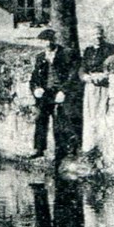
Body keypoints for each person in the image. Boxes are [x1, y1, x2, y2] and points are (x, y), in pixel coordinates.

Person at [30, 28, 75, 159]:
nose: (47, 43)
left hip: (59, 92)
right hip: (45, 94)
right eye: (44, 41)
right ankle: (39, 149)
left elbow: (72, 76)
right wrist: (36, 88)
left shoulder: (66, 54)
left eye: (50, 40)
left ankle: (61, 151)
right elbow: (34, 78)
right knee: (40, 120)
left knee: (60, 122)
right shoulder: (40, 57)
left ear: (54, 40)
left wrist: (64, 91)